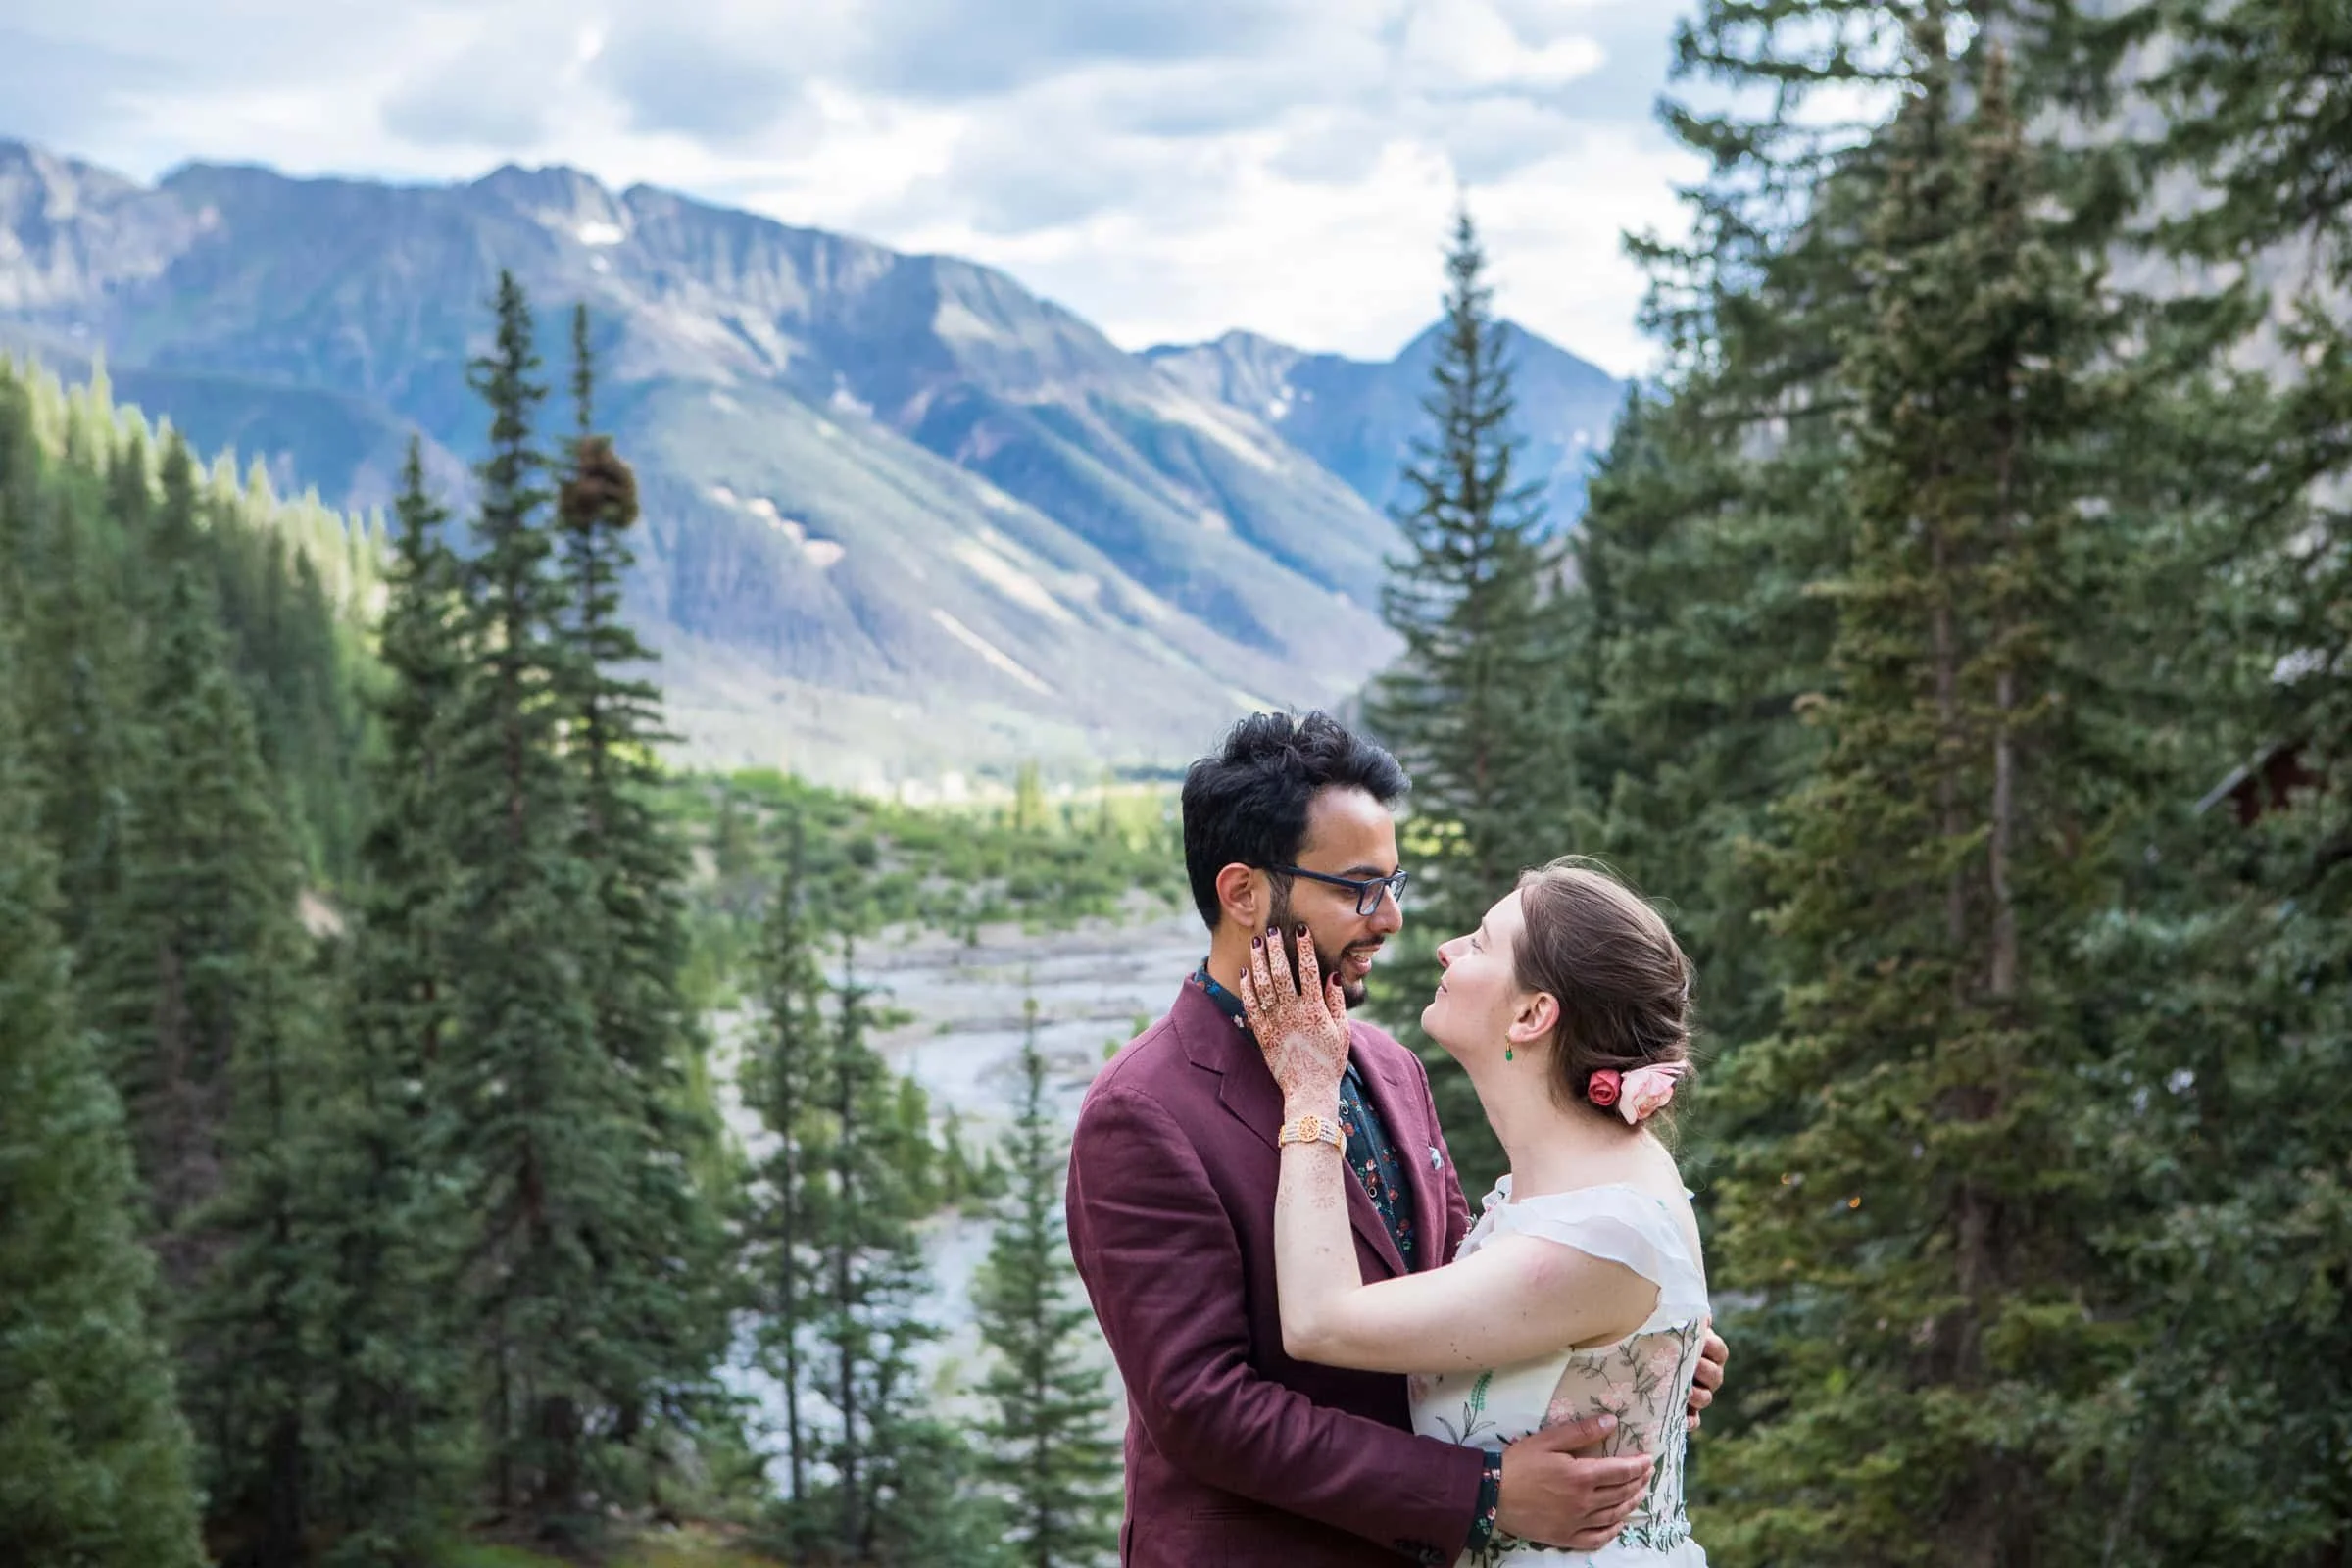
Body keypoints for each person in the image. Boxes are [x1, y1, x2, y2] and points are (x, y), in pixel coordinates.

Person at [1065, 712, 1726, 1567]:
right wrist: (1480, 1494)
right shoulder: (1142, 1110)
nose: (1392, 920)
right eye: (1355, 889)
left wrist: (1625, 1350)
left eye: (1393, 883)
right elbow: (1203, 1410)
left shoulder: (1388, 1063)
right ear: (1243, 894)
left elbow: (1465, 1286)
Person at [1240, 857, 1712, 1567]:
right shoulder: (1571, 1182)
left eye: (1480, 944)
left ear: (1531, 1015)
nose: (1446, 948)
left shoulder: (1603, 1229)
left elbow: (1317, 1321)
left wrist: (1310, 1090)